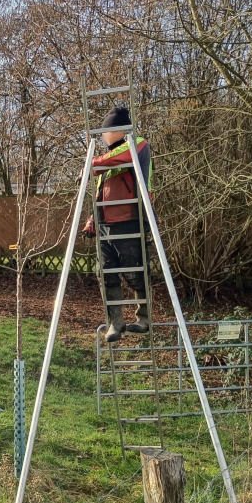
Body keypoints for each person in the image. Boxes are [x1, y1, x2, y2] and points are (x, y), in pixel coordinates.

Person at [82, 106, 152, 343]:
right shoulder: (105, 162)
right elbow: (100, 193)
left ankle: (143, 319)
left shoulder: (138, 144)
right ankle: (115, 322)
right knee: (105, 274)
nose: (102, 136)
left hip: (130, 219)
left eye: (105, 131)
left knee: (135, 271)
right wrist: (93, 219)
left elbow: (119, 158)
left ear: (117, 130)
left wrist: (91, 164)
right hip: (105, 225)